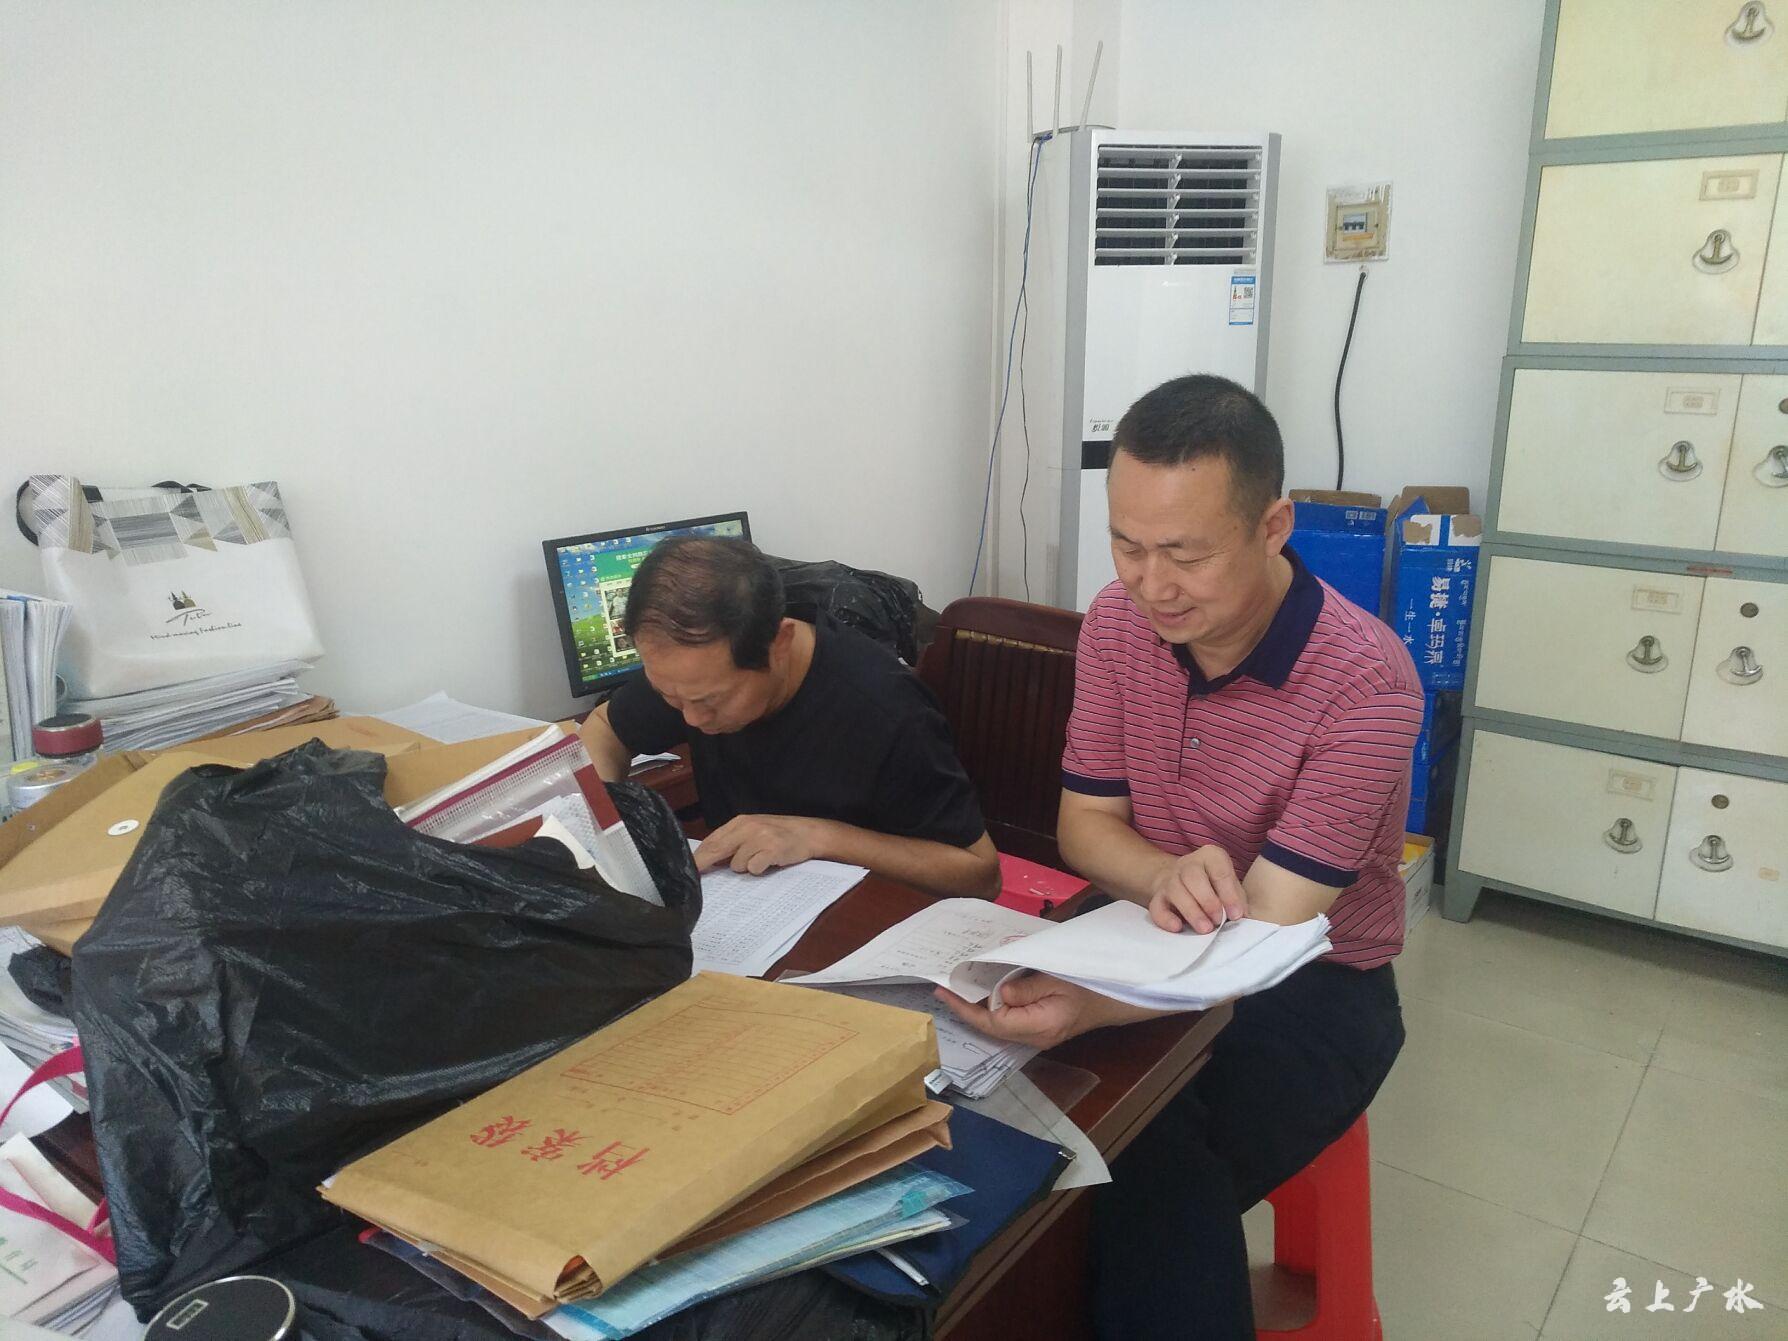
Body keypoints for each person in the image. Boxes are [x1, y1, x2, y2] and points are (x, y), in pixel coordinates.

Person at [939, 373, 1421, 1339]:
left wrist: (1098, 1006)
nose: (1151, 584)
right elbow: (1086, 827)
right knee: (974, 1095)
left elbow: (1271, 925)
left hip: (1314, 979)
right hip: (1138, 928)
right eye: (1128, 544)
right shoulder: (1120, 624)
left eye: (1185, 554)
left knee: (1140, 1151)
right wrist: (1160, 872)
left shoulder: (1367, 681)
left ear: (1273, 526)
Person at [579, 535, 1001, 898]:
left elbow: (979, 873)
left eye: (710, 701)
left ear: (779, 643)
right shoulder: (691, 673)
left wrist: (817, 836)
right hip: (747, 905)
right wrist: (608, 831)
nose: (689, 719)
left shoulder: (886, 711)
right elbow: (604, 727)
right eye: (669, 696)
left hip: (866, 919)